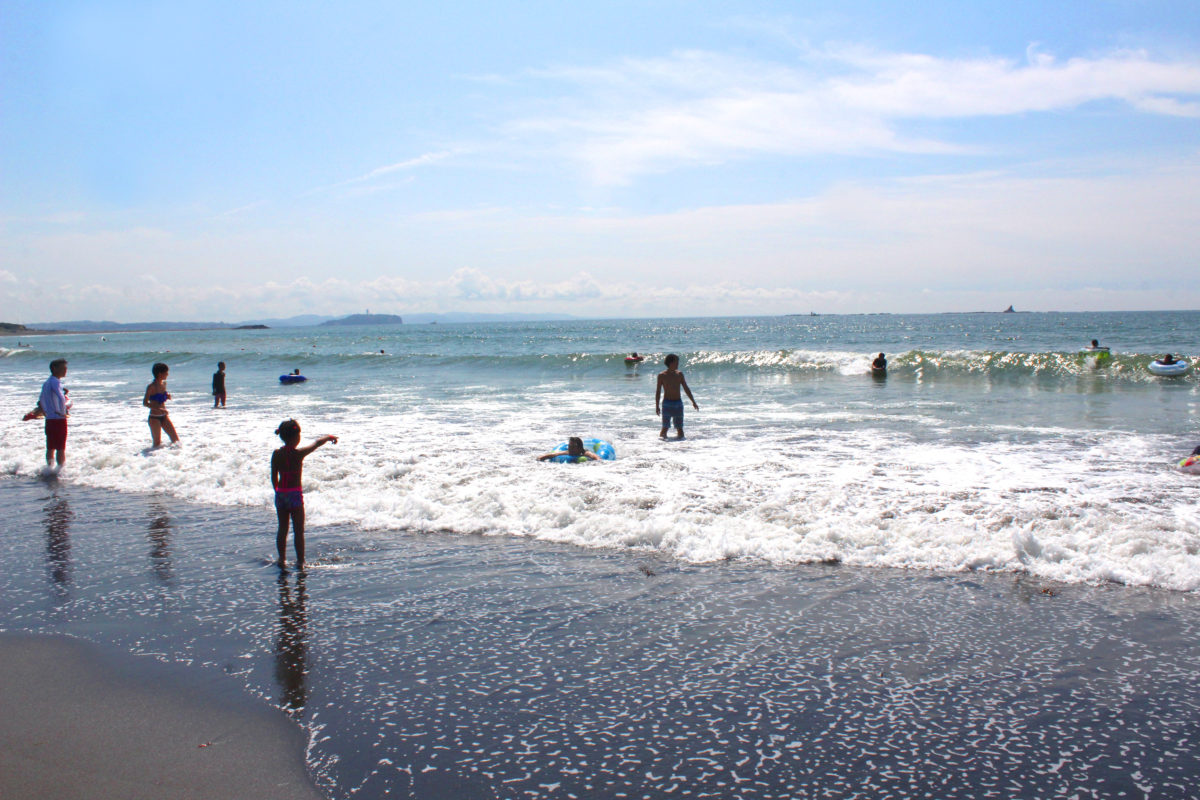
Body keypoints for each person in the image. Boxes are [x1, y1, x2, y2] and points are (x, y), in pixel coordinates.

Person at [271, 419, 337, 569]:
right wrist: (328, 437)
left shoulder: (276, 454)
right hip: (294, 496)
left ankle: (282, 559)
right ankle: (300, 561)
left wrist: (278, 491)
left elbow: (273, 477)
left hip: (281, 495)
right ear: (296, 437)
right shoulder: (299, 453)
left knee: (282, 528)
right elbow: (316, 443)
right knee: (298, 530)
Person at [656, 353, 699, 439]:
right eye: (676, 362)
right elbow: (658, 391)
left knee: (680, 429)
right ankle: (661, 447)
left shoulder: (679, 374)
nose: (678, 364)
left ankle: (680, 447)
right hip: (667, 404)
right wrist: (657, 406)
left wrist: (693, 402)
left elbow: (686, 389)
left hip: (678, 404)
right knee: (665, 428)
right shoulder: (662, 375)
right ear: (671, 363)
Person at [39, 359, 69, 468]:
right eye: (63, 368)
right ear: (54, 369)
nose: (65, 370)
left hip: (50, 419)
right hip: (59, 419)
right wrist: (63, 411)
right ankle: (61, 470)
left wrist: (46, 413)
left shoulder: (47, 382)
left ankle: (49, 469)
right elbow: (61, 398)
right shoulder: (55, 382)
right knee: (61, 447)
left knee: (50, 446)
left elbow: (41, 400)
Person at [143, 362, 180, 447]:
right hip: (154, 417)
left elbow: (161, 397)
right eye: (166, 373)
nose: (167, 374)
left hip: (164, 416)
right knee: (157, 443)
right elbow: (145, 403)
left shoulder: (164, 384)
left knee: (176, 441)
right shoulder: (151, 387)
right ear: (160, 374)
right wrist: (157, 408)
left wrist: (166, 396)